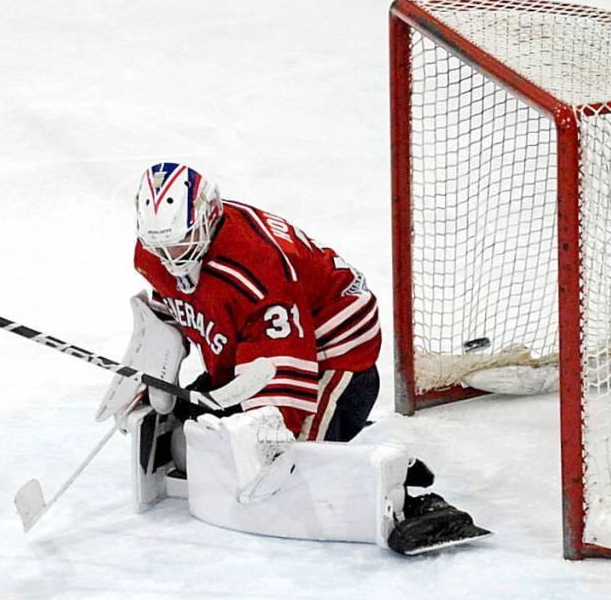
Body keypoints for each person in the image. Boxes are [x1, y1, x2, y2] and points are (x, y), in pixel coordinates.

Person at [98, 162, 490, 554]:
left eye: (180, 243)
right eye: (160, 245)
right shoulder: (157, 249)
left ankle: (405, 496)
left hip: (332, 350)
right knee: (204, 443)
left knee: (289, 462)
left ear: (207, 216)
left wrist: (270, 436)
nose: (170, 257)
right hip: (258, 341)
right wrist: (157, 353)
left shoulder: (257, 265)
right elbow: (180, 304)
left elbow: (285, 361)